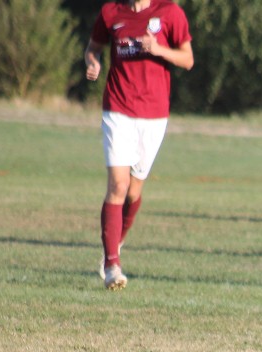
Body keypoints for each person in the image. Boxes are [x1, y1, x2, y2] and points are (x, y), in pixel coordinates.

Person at [84, 0, 194, 291]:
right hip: (117, 109)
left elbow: (187, 59)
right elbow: (93, 47)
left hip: (154, 114)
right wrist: (92, 62)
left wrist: (158, 49)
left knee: (133, 193)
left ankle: (116, 241)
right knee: (118, 186)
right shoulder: (111, 12)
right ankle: (112, 264)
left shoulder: (170, 12)